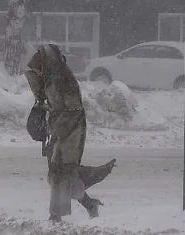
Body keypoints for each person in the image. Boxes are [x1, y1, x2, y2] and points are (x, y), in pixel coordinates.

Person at [24, 44, 116, 222]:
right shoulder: (50, 78)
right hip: (59, 129)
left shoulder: (64, 79)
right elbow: (46, 99)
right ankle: (89, 204)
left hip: (72, 130)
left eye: (40, 65)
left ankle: (55, 215)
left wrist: (56, 123)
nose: (39, 70)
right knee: (58, 173)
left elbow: (73, 107)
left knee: (62, 172)